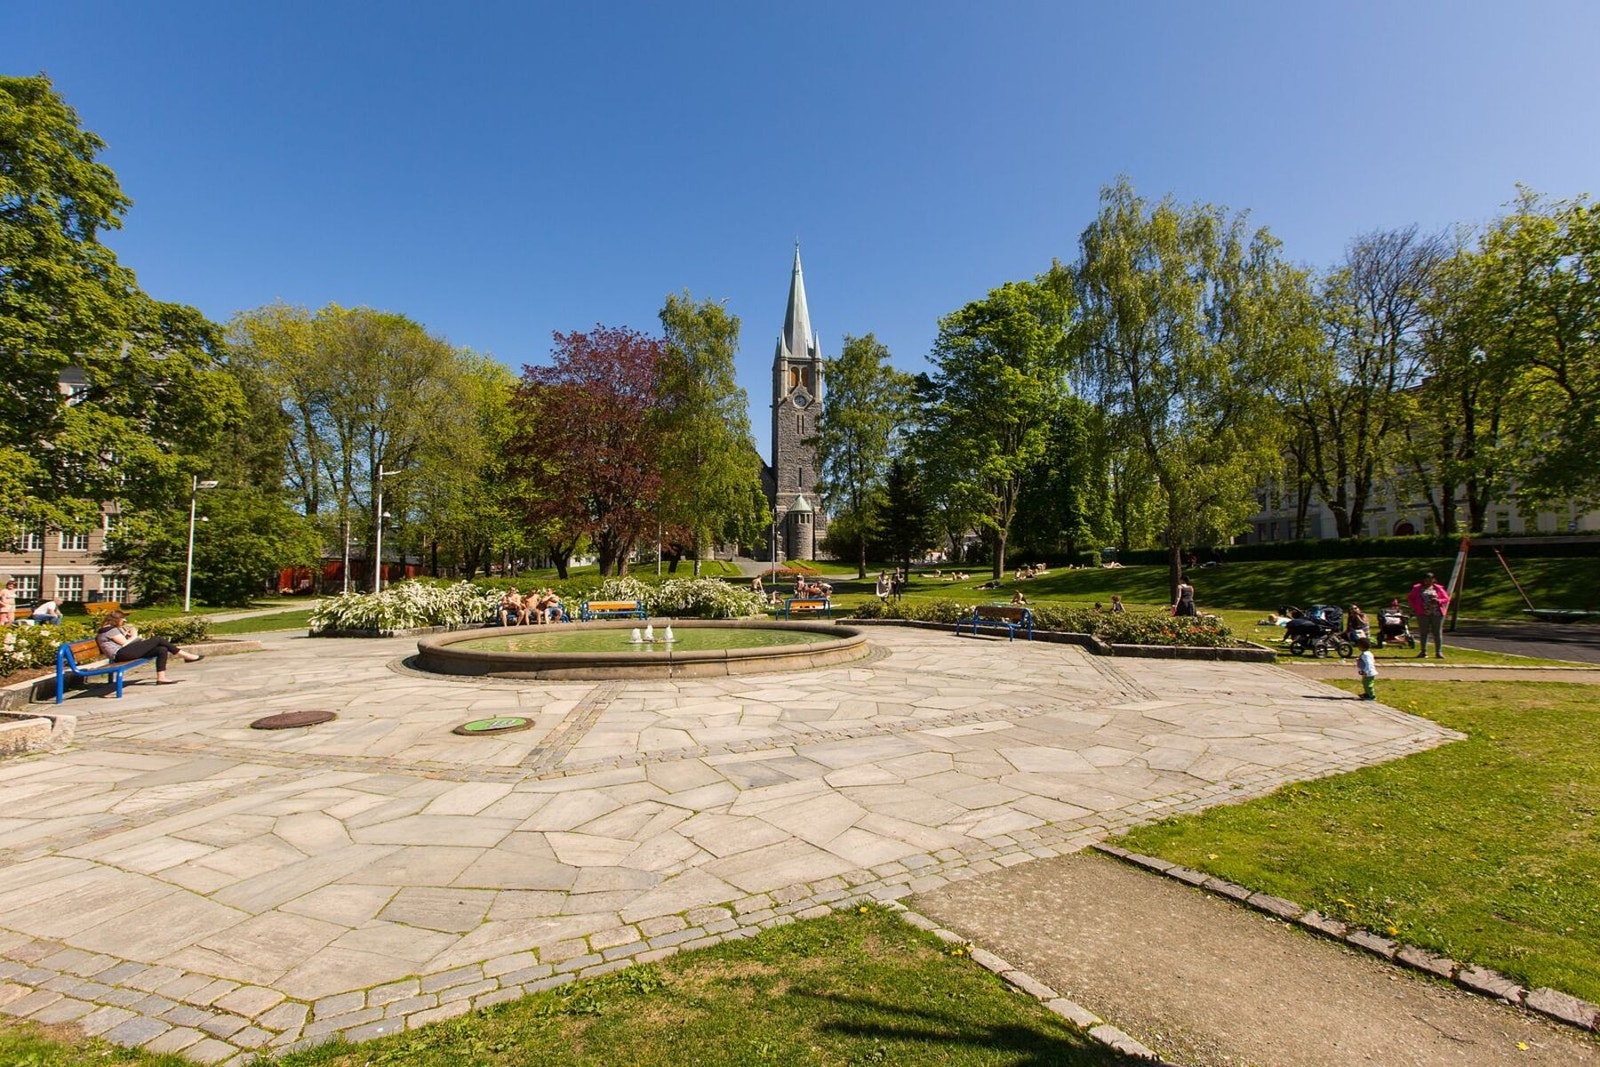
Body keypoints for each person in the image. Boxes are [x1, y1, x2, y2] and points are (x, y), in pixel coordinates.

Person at [95, 611, 202, 686]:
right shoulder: (108, 630)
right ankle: (185, 655)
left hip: (124, 652)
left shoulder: (110, 629)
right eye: (123, 619)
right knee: (158, 639)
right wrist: (133, 636)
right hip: (120, 655)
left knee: (161, 649)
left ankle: (161, 678)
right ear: (116, 619)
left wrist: (129, 636)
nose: (124, 621)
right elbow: (124, 645)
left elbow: (124, 643)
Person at [1407, 572, 1451, 659]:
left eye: (1431, 580)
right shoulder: (1417, 588)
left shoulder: (1438, 588)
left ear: (1434, 580)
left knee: (1437, 632)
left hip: (1437, 613)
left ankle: (1438, 652)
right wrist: (1414, 607)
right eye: (1427, 580)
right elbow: (1410, 598)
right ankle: (1423, 651)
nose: (1428, 582)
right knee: (1424, 632)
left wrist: (1438, 600)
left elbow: (1446, 598)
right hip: (1423, 613)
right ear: (1423, 580)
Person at [1355, 636, 1378, 701]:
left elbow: (1369, 663)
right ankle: (1367, 693)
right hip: (1366, 672)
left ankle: (1371, 695)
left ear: (1362, 646)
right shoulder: (1366, 654)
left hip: (1369, 672)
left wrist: (1366, 671)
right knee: (1365, 683)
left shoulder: (1366, 654)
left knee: (1369, 684)